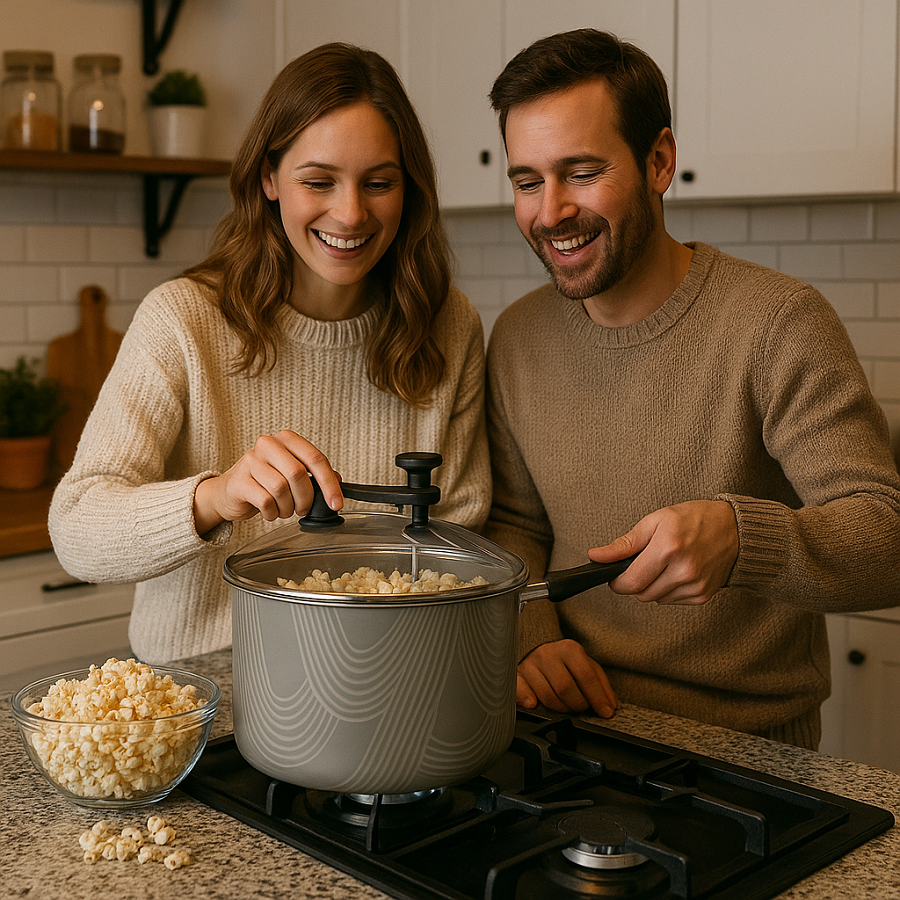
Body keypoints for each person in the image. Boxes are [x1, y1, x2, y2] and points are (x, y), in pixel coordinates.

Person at [484, 28, 900, 749]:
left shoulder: (778, 322)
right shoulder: (518, 336)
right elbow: (517, 525)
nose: (549, 212)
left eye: (581, 172)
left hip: (749, 752)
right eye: (527, 181)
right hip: (567, 731)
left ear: (660, 161)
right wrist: (530, 634)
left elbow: (886, 537)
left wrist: (744, 539)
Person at [49, 43, 490, 665]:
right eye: (319, 181)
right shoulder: (183, 320)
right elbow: (76, 530)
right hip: (208, 696)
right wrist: (213, 498)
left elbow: (463, 533)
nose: (351, 213)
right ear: (269, 178)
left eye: (379, 183)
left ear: (408, 190)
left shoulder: (449, 327)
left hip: (386, 676)